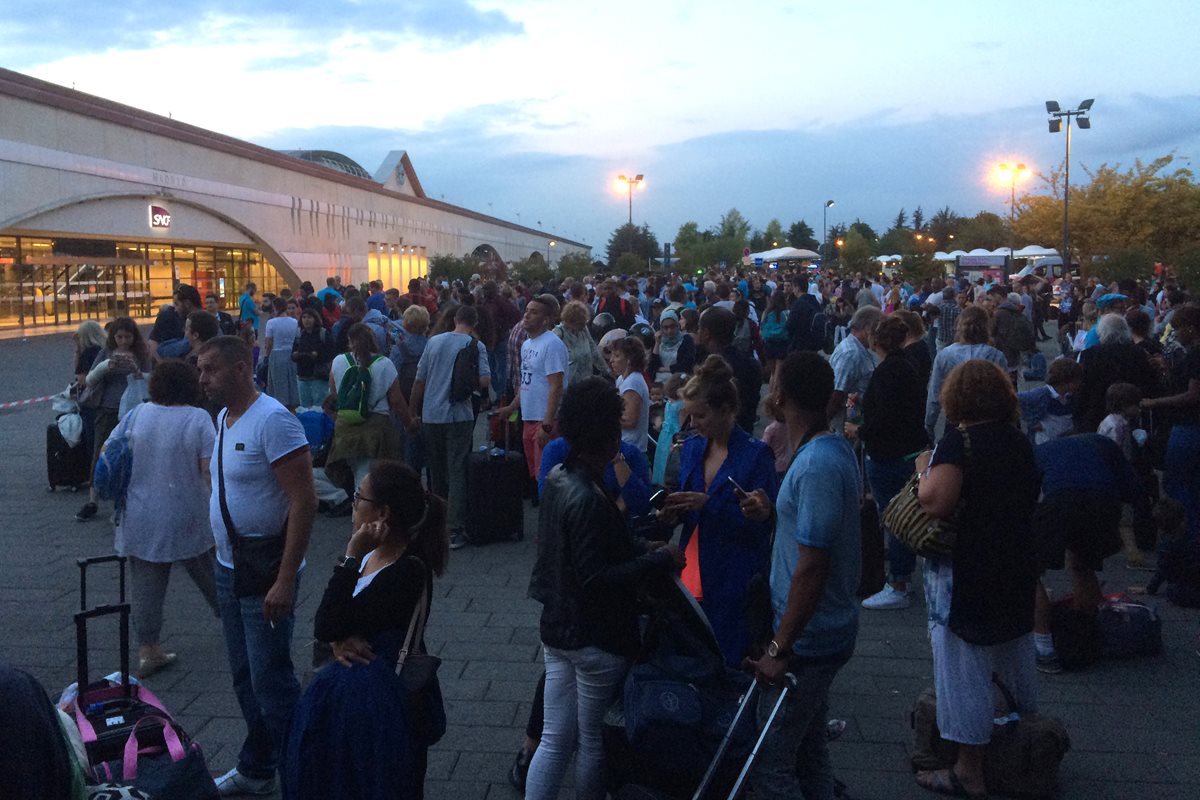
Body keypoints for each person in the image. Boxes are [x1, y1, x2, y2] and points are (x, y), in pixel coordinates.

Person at [525, 377, 682, 800]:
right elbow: (598, 575)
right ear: (610, 431)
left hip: (557, 626)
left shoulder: (560, 476)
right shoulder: (591, 493)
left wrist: (642, 546)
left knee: (555, 737)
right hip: (596, 634)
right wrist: (658, 556)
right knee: (590, 738)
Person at [196, 335, 318, 796]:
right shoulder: (224, 417)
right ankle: (259, 765)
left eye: (210, 369)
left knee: (273, 682)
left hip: (266, 569)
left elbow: (303, 500)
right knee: (245, 676)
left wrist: (285, 579)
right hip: (230, 567)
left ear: (242, 370)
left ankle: (301, 774)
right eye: (200, 369)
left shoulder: (274, 420)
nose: (202, 378)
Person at [913, 360, 1041, 799]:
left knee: (963, 668)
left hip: (969, 568)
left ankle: (969, 770)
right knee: (1008, 655)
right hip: (1015, 561)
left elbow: (935, 501)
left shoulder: (960, 443)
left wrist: (921, 470)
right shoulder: (1018, 441)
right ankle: (1016, 747)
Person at [285, 460, 449, 800]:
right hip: (353, 697)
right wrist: (336, 641)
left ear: (383, 514)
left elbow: (328, 621)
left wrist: (349, 557)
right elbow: (333, 628)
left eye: (360, 497)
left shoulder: (407, 570)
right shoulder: (371, 555)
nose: (354, 503)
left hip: (377, 705)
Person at [742, 351, 860, 800]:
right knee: (809, 749)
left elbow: (812, 566)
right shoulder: (826, 450)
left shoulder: (815, 464)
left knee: (771, 759)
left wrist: (779, 647)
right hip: (820, 629)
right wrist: (775, 511)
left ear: (779, 395)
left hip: (809, 638)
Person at [660, 355, 778, 666]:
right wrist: (674, 511)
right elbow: (689, 504)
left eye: (700, 416)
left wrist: (709, 505)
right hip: (691, 564)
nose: (693, 424)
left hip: (733, 573)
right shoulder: (694, 447)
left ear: (726, 410)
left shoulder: (756, 456)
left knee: (728, 657)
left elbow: (761, 528)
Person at [113, 360, 219, 678]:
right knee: (211, 573)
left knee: (146, 584)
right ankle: (236, 619)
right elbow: (208, 471)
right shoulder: (198, 418)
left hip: (141, 513)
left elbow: (112, 452)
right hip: (188, 511)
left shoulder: (137, 414)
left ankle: (149, 649)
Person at [1030, 432, 1150, 672]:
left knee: (1029, 572)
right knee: (1083, 565)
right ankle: (1083, 638)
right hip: (1103, 500)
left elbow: (1027, 493)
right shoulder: (1102, 442)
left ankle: (1044, 647)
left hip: (1060, 499)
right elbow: (1134, 486)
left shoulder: (1041, 450)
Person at [846, 317, 929, 611]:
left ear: (875, 340)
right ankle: (901, 577)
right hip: (906, 449)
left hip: (890, 453)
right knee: (901, 515)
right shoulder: (906, 365)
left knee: (894, 518)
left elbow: (885, 417)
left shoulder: (888, 371)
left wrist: (859, 430)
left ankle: (898, 583)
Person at [410, 305, 490, 550]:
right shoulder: (476, 346)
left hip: (432, 414)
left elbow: (419, 379)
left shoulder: (434, 342)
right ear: (474, 323)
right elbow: (485, 380)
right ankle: (454, 527)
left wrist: (413, 411)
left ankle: (436, 519)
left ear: (454, 319)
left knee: (436, 470)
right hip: (459, 413)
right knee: (457, 468)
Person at [325, 323, 417, 495]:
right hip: (375, 429)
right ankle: (363, 514)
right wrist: (409, 423)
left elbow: (334, 394)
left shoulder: (338, 361)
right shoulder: (384, 364)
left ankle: (359, 511)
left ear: (350, 341)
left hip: (346, 428)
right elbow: (396, 400)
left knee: (357, 473)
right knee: (368, 479)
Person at [76, 317, 151, 523]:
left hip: (133, 410)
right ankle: (93, 500)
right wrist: (106, 367)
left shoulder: (142, 353)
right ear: (113, 337)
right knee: (100, 450)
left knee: (131, 454)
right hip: (107, 408)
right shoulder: (106, 353)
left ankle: (125, 500)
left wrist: (137, 371)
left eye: (128, 337)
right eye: (119, 337)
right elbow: (90, 379)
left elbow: (151, 377)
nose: (124, 341)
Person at [496, 295, 569, 485]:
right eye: (526, 310)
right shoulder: (527, 344)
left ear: (545, 320)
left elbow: (556, 385)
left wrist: (547, 424)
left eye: (533, 312)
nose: (526, 315)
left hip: (543, 420)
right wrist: (511, 407)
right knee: (535, 474)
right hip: (528, 418)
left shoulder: (552, 344)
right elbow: (526, 382)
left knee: (547, 477)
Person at [1141, 304, 1200, 539]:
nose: (1174, 334)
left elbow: (1193, 394)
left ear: (1191, 328)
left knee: (1178, 485)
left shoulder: (1196, 354)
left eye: (1177, 329)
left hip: (1188, 426)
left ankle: (1186, 538)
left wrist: (1155, 402)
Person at [925, 306, 1007, 440]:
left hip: (956, 418)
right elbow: (1003, 392)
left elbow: (935, 394)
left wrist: (929, 424)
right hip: (988, 419)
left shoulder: (945, 355)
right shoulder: (996, 356)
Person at [1075, 313, 1158, 433]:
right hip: (1129, 410)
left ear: (1101, 332)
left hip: (1096, 409)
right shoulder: (1138, 353)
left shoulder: (1089, 355)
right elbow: (1148, 382)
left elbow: (1083, 386)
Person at [694, 306, 762, 433]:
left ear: (707, 333)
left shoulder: (709, 369)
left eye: (699, 328)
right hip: (745, 432)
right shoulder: (751, 364)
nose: (697, 332)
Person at [827, 305, 882, 429]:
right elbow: (837, 392)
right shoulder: (851, 354)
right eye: (878, 330)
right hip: (847, 424)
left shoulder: (860, 349)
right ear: (867, 328)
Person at [1018, 357, 1083, 444]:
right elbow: (1017, 400)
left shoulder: (1070, 397)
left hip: (1063, 440)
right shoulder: (1041, 395)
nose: (1079, 384)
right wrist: (1033, 423)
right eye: (1075, 382)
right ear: (1065, 382)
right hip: (1043, 441)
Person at [72, 319, 106, 467]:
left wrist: (77, 351)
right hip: (106, 399)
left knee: (92, 440)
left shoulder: (87, 353)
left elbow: (81, 379)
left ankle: (93, 473)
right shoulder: (104, 350)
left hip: (91, 402)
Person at [611, 337, 651, 453]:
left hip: (631, 447)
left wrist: (605, 418)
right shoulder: (622, 379)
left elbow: (630, 421)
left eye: (617, 356)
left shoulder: (633, 382)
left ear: (629, 359)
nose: (612, 360)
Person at [554, 300, 608, 385]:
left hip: (586, 382)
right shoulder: (559, 334)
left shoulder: (583, 330)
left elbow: (594, 350)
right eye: (579, 323)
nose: (583, 326)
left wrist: (606, 371)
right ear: (571, 320)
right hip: (568, 385)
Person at [263, 296, 301, 411]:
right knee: (291, 381)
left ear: (275, 308)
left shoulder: (271, 323)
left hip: (276, 353)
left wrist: (267, 356)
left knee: (278, 383)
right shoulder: (294, 322)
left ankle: (280, 406)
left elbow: (269, 343)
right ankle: (292, 406)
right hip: (290, 353)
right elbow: (297, 338)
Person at [294, 308, 331, 408]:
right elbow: (293, 352)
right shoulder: (300, 335)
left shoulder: (322, 333)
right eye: (304, 317)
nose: (306, 320)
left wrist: (318, 355)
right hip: (303, 375)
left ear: (315, 319)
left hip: (318, 375)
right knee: (304, 406)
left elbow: (331, 352)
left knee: (320, 406)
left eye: (309, 317)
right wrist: (295, 355)